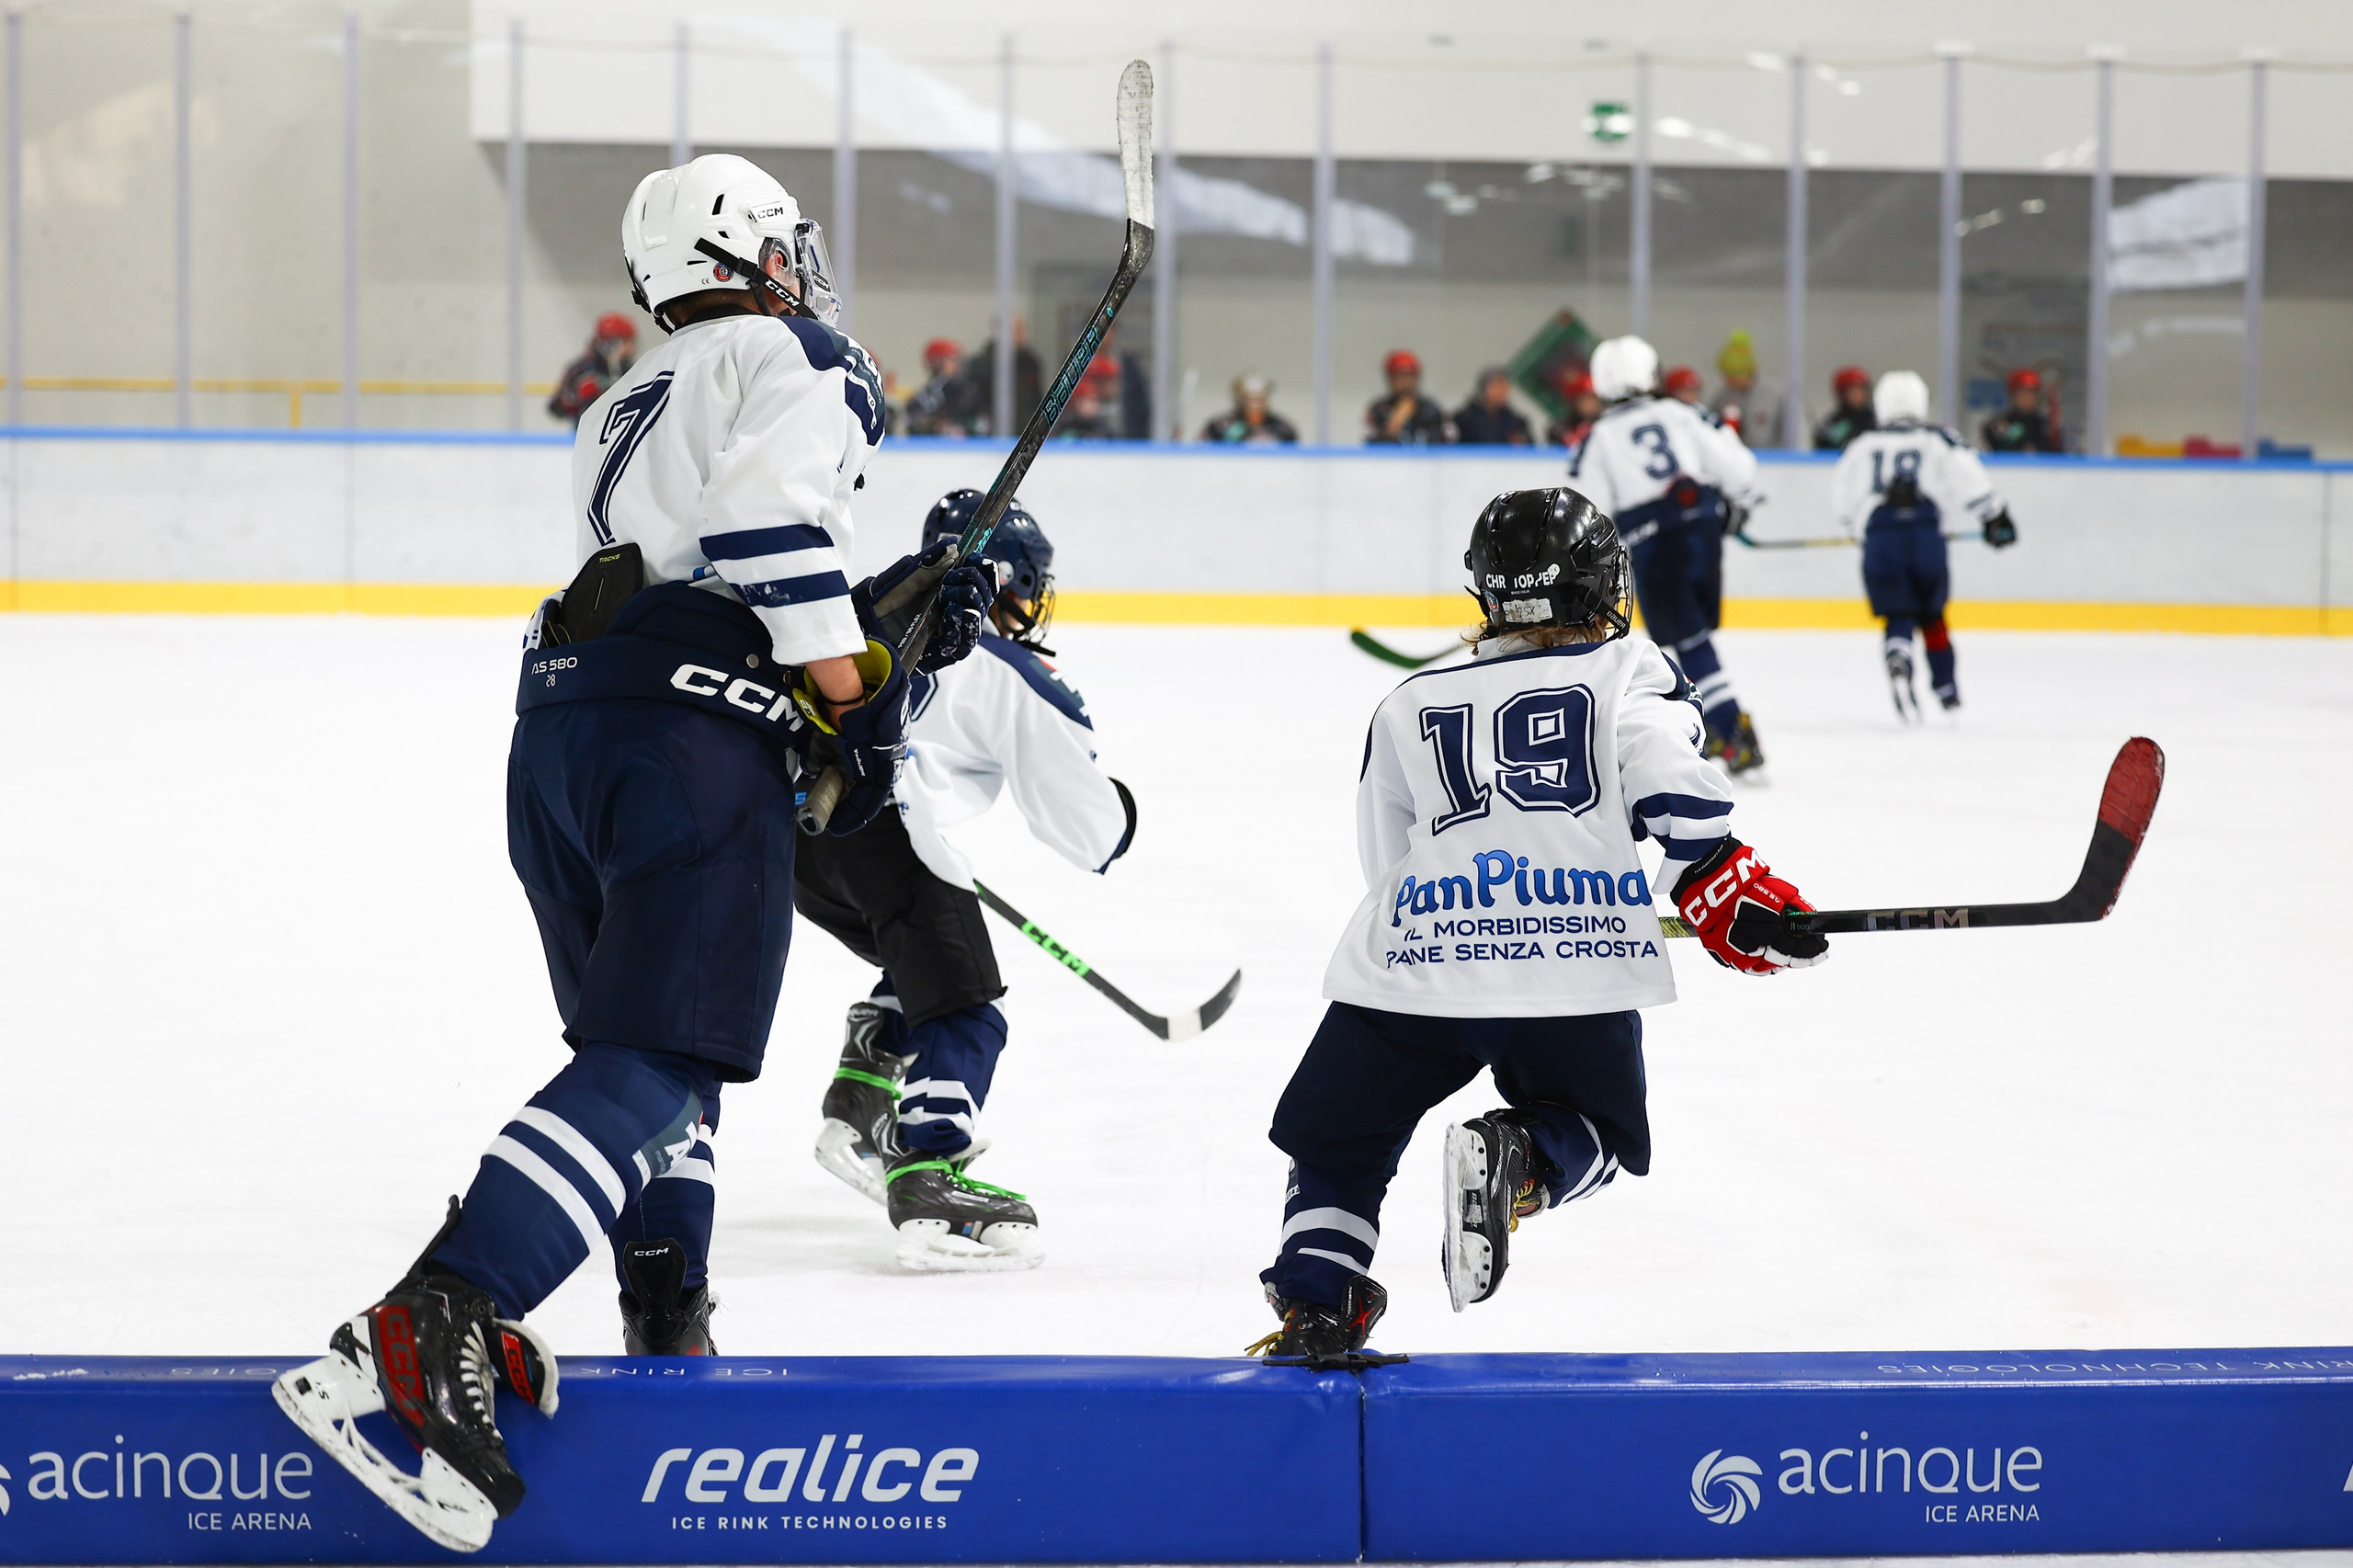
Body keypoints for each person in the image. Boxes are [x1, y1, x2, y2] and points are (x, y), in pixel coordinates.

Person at [269, 152, 992, 1553]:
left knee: (647, 1061)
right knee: (663, 1054)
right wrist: (859, 694)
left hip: (564, 734)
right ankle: (432, 1326)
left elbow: (687, 564)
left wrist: (847, 648)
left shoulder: (629, 387)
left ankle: (671, 1326)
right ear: (763, 250)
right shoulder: (806, 351)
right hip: (682, 746)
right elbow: (768, 532)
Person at [1246, 487, 1828, 1358]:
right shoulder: (1626, 665)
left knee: (1341, 1141)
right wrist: (1717, 880)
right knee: (1593, 1128)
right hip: (1573, 960)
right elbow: (1669, 774)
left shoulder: (1409, 699)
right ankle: (1521, 1157)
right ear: (1602, 584)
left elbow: (1383, 858)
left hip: (1415, 954)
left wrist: (1460, 914)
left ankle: (1317, 1303)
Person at [801, 489, 1137, 1270]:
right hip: (890, 827)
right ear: (1012, 582)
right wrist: (1121, 813)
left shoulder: (871, 625)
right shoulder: (1008, 669)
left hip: (800, 843)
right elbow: (1088, 834)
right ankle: (930, 1172)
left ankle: (860, 1095)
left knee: (915, 963)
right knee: (967, 1013)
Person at [1570, 335, 1768, 775]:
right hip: (1702, 532)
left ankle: (1732, 730)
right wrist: (1736, 506)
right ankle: (1720, 725)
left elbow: (1588, 510)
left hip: (1654, 544)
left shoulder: (1597, 438)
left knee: (1687, 640)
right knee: (1694, 634)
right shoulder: (1682, 412)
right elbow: (1738, 469)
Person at [1833, 371, 2019, 720]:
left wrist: (1857, 530)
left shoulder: (1862, 444)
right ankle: (1947, 691)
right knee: (1932, 614)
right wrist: (1993, 515)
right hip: (1925, 535)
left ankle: (1899, 655)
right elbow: (1968, 475)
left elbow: (1843, 496)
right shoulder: (1937, 440)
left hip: (1882, 536)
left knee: (1897, 613)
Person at [546, 312, 638, 426]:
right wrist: (577, 397)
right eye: (626, 342)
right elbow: (556, 408)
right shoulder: (580, 369)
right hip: (586, 436)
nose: (631, 347)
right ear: (611, 343)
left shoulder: (633, 370)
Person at [965, 320, 1043, 436]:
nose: (1021, 334)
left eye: (1022, 329)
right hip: (992, 435)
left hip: (1025, 435)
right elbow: (973, 402)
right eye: (1016, 330)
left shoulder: (1030, 362)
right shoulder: (981, 364)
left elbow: (1036, 398)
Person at [1365, 349, 1454, 446]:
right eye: (1399, 376)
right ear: (1390, 378)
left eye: (1410, 376)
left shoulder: (1431, 409)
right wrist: (1392, 427)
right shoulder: (1379, 410)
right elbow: (1369, 445)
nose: (1405, 382)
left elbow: (1449, 442)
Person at [1708, 330, 1779, 448]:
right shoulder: (1721, 397)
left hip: (1769, 461)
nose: (1729, 381)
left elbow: (1791, 434)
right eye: (1726, 376)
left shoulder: (1774, 397)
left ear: (1747, 372)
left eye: (1733, 376)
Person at [905, 337, 986, 437]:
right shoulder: (922, 398)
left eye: (958, 360)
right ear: (937, 362)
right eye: (952, 360)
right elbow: (915, 426)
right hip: (934, 449)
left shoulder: (969, 393)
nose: (958, 365)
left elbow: (981, 425)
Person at [1981, 368, 2064, 453]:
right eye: (2022, 393)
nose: (2027, 398)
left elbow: (2057, 455)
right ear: (2012, 395)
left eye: (2031, 393)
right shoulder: (1998, 425)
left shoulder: (2046, 426)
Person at [1201, 373, 1299, 444]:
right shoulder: (1220, 426)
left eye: (1259, 398)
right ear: (1239, 399)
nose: (1254, 404)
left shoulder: (1282, 428)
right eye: (1248, 398)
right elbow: (1203, 450)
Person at [1453, 367, 1533, 446]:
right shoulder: (1464, 420)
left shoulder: (1517, 422)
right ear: (1484, 388)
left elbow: (1529, 447)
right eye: (1496, 386)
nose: (1501, 392)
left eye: (1504, 387)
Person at [1812, 365, 1877, 450]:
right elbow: (1823, 444)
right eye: (1854, 390)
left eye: (1863, 389)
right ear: (1843, 393)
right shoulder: (1836, 424)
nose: (1861, 394)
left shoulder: (1875, 420)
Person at [1545, 370, 1603, 450]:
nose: (1591, 404)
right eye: (1586, 399)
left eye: (1594, 398)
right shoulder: (1561, 429)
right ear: (1575, 403)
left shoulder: (1606, 421)